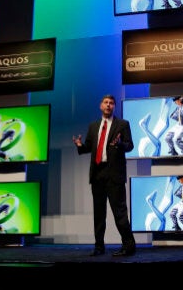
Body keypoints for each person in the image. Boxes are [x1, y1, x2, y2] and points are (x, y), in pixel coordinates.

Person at [72, 94, 136, 256]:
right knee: (99, 214)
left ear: (114, 107)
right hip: (98, 174)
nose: (108, 105)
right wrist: (80, 145)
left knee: (119, 212)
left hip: (114, 174)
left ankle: (129, 246)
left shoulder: (122, 124)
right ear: (101, 106)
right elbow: (89, 147)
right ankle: (99, 247)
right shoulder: (93, 126)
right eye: (106, 103)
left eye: (111, 103)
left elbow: (130, 146)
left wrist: (120, 144)